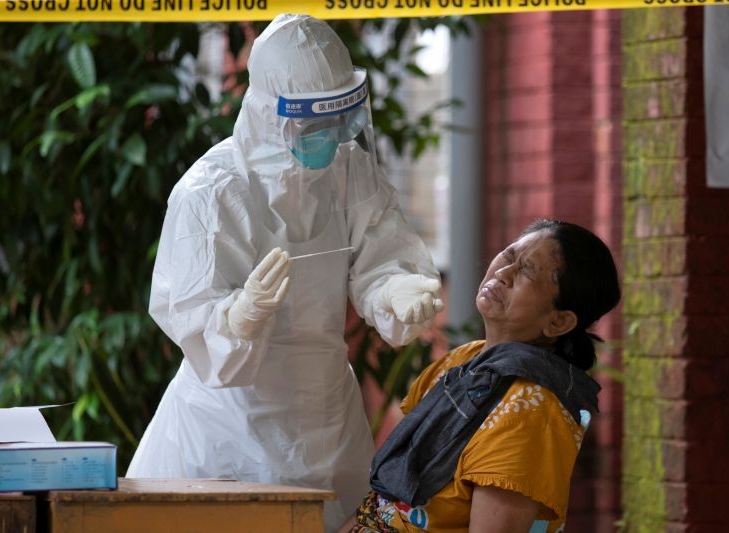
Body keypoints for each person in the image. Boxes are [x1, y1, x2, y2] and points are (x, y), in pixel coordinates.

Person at [126, 14, 443, 532]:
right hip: (227, 428)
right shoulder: (211, 191)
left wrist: (394, 286)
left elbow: (381, 249)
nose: (334, 138)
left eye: (340, 120)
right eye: (316, 122)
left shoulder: (348, 168)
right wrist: (237, 318)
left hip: (326, 417)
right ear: (270, 112)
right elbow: (189, 313)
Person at [340, 219, 621, 533]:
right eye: (509, 255)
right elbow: (382, 503)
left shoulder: (530, 410)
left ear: (558, 323)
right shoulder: (460, 361)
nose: (502, 274)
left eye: (526, 271)